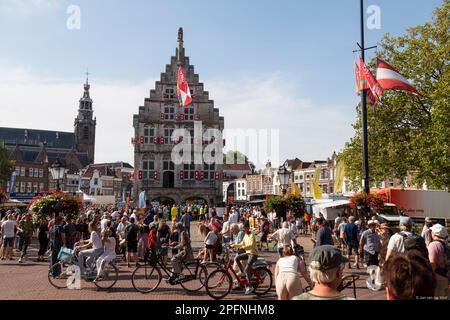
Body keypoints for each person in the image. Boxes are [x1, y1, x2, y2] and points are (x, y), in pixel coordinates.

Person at [231, 221, 258, 295]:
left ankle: (250, 286)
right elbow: (241, 244)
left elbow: (251, 245)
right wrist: (234, 245)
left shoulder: (251, 235)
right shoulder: (245, 235)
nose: (243, 229)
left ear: (247, 228)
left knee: (247, 268)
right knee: (237, 258)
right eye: (242, 228)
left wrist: (244, 247)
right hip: (248, 253)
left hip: (253, 253)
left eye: (244, 228)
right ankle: (243, 272)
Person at [427, 223, 449, 298]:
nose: (431, 233)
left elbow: (432, 264)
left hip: (437, 279)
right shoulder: (446, 244)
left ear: (435, 233)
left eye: (432, 231)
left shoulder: (433, 245)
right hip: (447, 277)